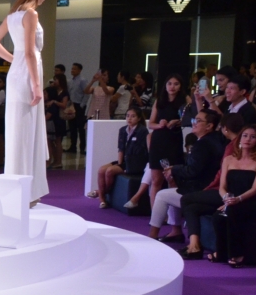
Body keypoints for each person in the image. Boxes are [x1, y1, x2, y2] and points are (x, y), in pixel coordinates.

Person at [0, 0, 51, 203]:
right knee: (26, 133)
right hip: (26, 78)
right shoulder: (30, 14)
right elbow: (30, 52)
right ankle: (26, 193)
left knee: (18, 132)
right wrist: (36, 85)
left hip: (17, 75)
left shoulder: (13, 15)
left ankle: (21, 192)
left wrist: (15, 61)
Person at [180, 124, 256, 265]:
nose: (248, 139)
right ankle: (216, 251)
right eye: (245, 136)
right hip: (231, 200)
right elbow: (222, 187)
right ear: (239, 138)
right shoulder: (229, 159)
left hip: (252, 201)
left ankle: (236, 254)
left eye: (253, 137)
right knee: (216, 215)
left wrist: (237, 199)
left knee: (231, 212)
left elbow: (255, 189)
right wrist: (226, 199)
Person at [150, 109, 225, 241]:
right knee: (172, 191)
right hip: (209, 188)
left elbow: (193, 171)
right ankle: (176, 232)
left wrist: (174, 170)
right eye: (193, 120)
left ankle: (152, 235)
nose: (194, 123)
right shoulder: (215, 140)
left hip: (202, 190)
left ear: (209, 126)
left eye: (198, 121)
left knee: (161, 195)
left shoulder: (203, 144)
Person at [91, 107, 148, 208]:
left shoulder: (142, 131)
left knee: (109, 171)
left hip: (134, 162)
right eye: (128, 116)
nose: (129, 118)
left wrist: (125, 166)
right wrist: (120, 164)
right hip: (125, 160)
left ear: (139, 118)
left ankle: (101, 193)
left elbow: (140, 151)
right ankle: (102, 200)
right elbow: (121, 149)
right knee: (101, 170)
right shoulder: (122, 130)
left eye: (133, 116)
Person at [146, 73, 188, 206]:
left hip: (174, 140)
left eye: (176, 84)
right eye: (169, 84)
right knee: (156, 180)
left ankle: (173, 214)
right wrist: (160, 125)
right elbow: (150, 124)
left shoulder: (185, 100)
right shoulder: (159, 100)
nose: (172, 87)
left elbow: (191, 119)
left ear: (180, 86)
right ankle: (155, 213)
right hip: (158, 141)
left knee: (173, 179)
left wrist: (178, 121)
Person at [44, 72, 70, 170]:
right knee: (52, 141)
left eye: (56, 80)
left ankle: (59, 161)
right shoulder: (54, 90)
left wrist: (54, 101)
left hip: (59, 118)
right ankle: (55, 160)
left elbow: (64, 105)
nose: (54, 81)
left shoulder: (64, 92)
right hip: (54, 117)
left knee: (58, 141)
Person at [66, 62, 89, 152]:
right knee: (72, 126)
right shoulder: (71, 81)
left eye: (74, 69)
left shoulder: (82, 80)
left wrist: (82, 105)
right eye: (72, 68)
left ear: (79, 70)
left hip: (79, 105)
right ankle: (73, 146)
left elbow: (86, 93)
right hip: (72, 105)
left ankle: (82, 147)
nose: (72, 70)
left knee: (80, 127)